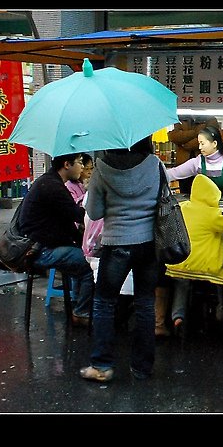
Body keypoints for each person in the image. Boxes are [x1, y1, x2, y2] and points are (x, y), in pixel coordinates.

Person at [80, 136, 161, 382]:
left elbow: (94, 212)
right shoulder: (155, 164)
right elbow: (161, 200)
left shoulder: (102, 168)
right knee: (146, 304)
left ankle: (102, 366)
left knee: (104, 303)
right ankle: (142, 368)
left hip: (116, 244)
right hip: (148, 243)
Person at [19, 153, 94, 326]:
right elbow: (77, 215)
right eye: (80, 163)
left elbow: (67, 221)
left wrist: (82, 242)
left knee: (82, 258)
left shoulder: (50, 182)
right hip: (40, 250)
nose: (82, 167)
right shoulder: (53, 187)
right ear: (67, 164)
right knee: (91, 265)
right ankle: (81, 311)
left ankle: (77, 305)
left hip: (41, 245)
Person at [156, 174, 223, 335]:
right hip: (206, 267)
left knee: (181, 284)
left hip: (179, 263)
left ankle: (178, 316)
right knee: (222, 285)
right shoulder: (212, 214)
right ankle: (221, 312)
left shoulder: (183, 207)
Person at [166, 125, 223, 197]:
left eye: (202, 143)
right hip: (207, 208)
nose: (200, 147)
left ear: (214, 144)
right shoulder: (197, 162)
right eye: (199, 143)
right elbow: (174, 173)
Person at [167, 116, 219, 194]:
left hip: (205, 164)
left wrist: (185, 144)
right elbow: (174, 136)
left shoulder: (210, 118)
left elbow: (210, 137)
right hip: (183, 163)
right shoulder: (181, 118)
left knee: (204, 192)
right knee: (185, 193)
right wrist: (195, 133)